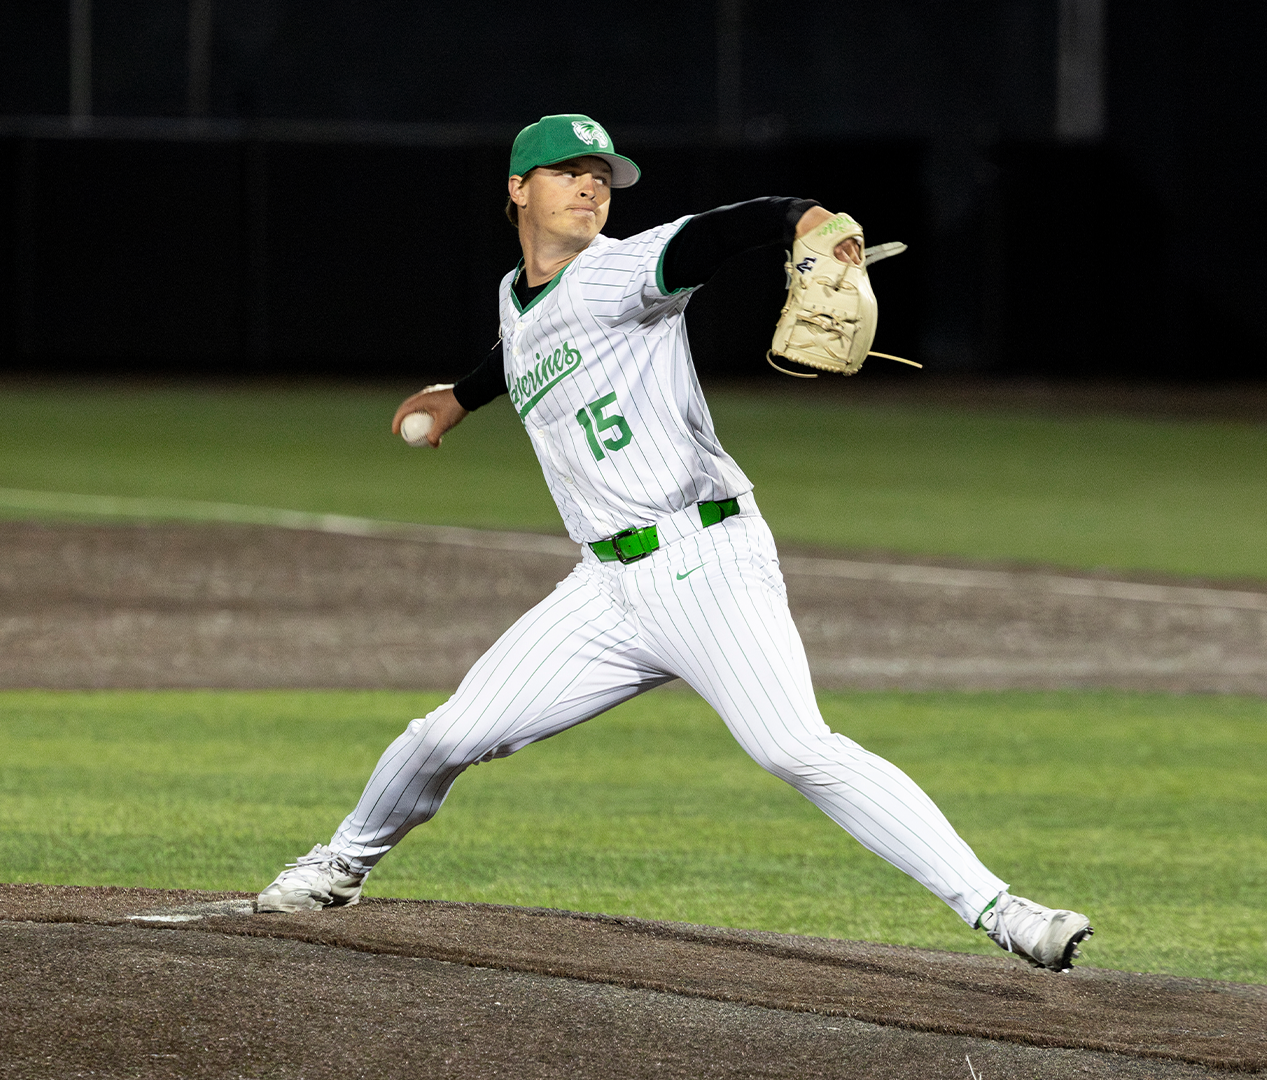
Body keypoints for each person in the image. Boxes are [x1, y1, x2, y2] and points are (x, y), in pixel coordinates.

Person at [255, 113, 1094, 970]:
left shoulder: (622, 269)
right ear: (517, 189)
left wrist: (800, 217)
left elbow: (718, 233)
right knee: (444, 737)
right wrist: (460, 398)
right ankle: (341, 865)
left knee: (793, 746)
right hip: (604, 591)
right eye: (567, 173)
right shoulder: (516, 292)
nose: (590, 187)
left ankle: (1002, 909)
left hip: (708, 564)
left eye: (601, 175)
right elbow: (524, 346)